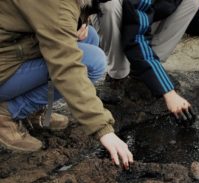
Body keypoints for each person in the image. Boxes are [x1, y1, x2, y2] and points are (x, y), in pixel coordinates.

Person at [0, 0, 133, 169]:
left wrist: (81, 22)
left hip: (14, 48)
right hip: (5, 63)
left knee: (90, 36)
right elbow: (66, 66)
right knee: (93, 62)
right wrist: (102, 128)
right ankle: (7, 113)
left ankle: (32, 110)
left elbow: (56, 18)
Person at [93, 0, 199, 120]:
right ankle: (117, 75)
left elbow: (193, 18)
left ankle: (147, 70)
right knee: (110, 5)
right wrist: (168, 92)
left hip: (141, 14)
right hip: (111, 14)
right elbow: (136, 37)